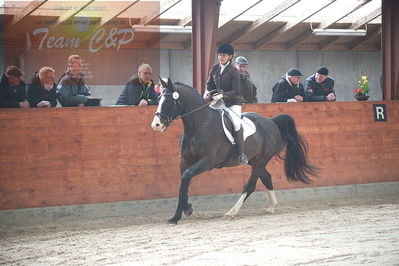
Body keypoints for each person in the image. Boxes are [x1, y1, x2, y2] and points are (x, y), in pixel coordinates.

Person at [203, 43, 248, 164]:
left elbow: (236, 91)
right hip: (218, 101)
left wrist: (222, 95)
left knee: (236, 123)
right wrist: (207, 91)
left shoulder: (234, 71)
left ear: (230, 56)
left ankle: (241, 154)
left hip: (233, 102)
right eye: (219, 55)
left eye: (223, 55)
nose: (220, 57)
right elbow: (209, 83)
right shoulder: (215, 68)